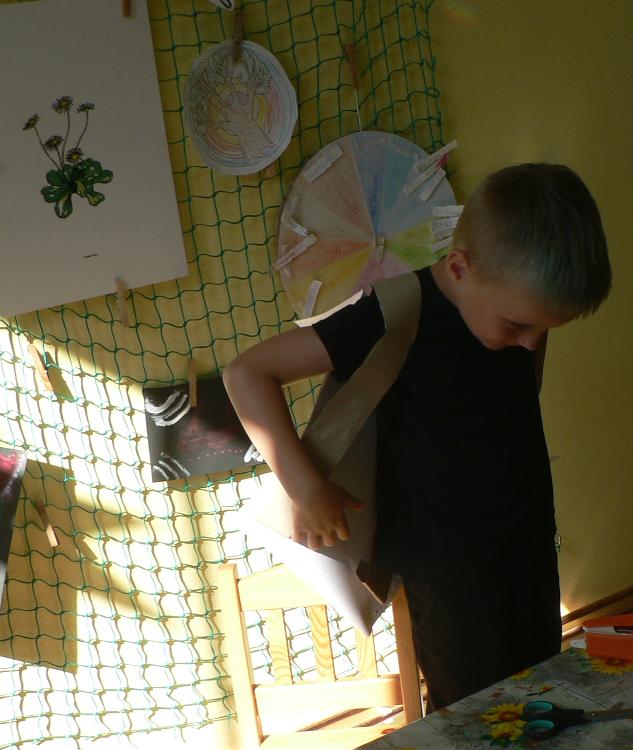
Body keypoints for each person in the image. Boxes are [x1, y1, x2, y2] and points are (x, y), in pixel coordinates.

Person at [224, 162, 611, 709]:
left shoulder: (506, 306)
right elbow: (247, 374)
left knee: (541, 697)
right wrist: (307, 489)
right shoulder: (395, 312)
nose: (531, 343)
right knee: (478, 719)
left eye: (544, 330)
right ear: (459, 267)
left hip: (527, 550)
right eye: (519, 325)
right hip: (448, 577)